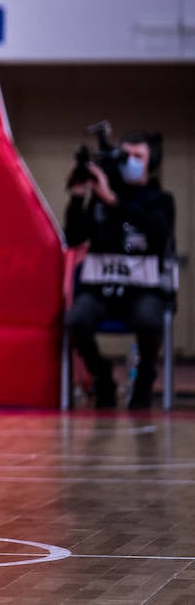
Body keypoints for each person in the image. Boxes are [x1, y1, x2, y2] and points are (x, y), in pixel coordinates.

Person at [64, 131, 176, 410]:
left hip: (142, 290)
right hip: (99, 289)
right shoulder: (100, 197)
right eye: (126, 156)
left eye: (138, 156)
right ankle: (102, 376)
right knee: (76, 319)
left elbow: (159, 231)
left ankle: (143, 381)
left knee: (151, 320)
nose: (131, 162)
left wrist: (114, 201)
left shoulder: (160, 199)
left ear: (152, 163)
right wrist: (79, 196)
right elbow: (75, 237)